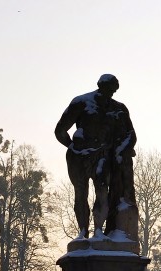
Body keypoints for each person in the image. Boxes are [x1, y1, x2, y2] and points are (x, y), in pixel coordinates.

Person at [54, 74, 137, 239]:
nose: (111, 93)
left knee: (102, 191)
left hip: (102, 154)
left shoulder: (119, 108)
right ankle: (83, 231)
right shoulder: (82, 102)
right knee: (80, 192)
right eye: (109, 89)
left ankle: (98, 230)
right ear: (101, 86)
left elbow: (131, 134)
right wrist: (72, 147)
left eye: (113, 91)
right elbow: (60, 130)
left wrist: (121, 150)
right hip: (79, 156)